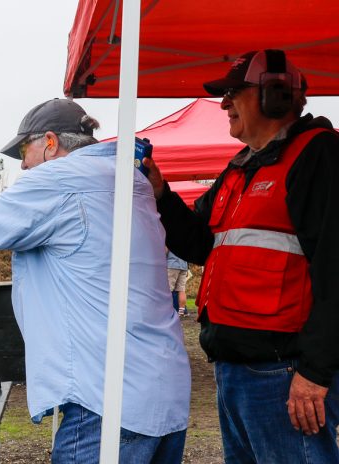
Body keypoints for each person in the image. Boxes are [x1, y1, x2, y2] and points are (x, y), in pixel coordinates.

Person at [0, 98, 190, 463]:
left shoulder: (57, 181)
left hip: (105, 403)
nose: (24, 166)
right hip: (161, 392)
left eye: (24, 152)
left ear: (50, 142)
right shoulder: (123, 178)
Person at [143, 49, 339, 463]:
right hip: (237, 370)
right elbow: (198, 243)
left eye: (234, 92)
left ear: (275, 96)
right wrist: (161, 193)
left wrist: (314, 373)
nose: (223, 103)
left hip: (284, 373)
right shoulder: (241, 167)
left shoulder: (318, 156)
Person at [166, 249, 189, 316]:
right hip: (184, 266)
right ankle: (181, 311)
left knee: (168, 289)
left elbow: (165, 250)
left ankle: (167, 311)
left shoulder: (170, 238)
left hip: (172, 265)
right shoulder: (187, 239)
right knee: (181, 290)